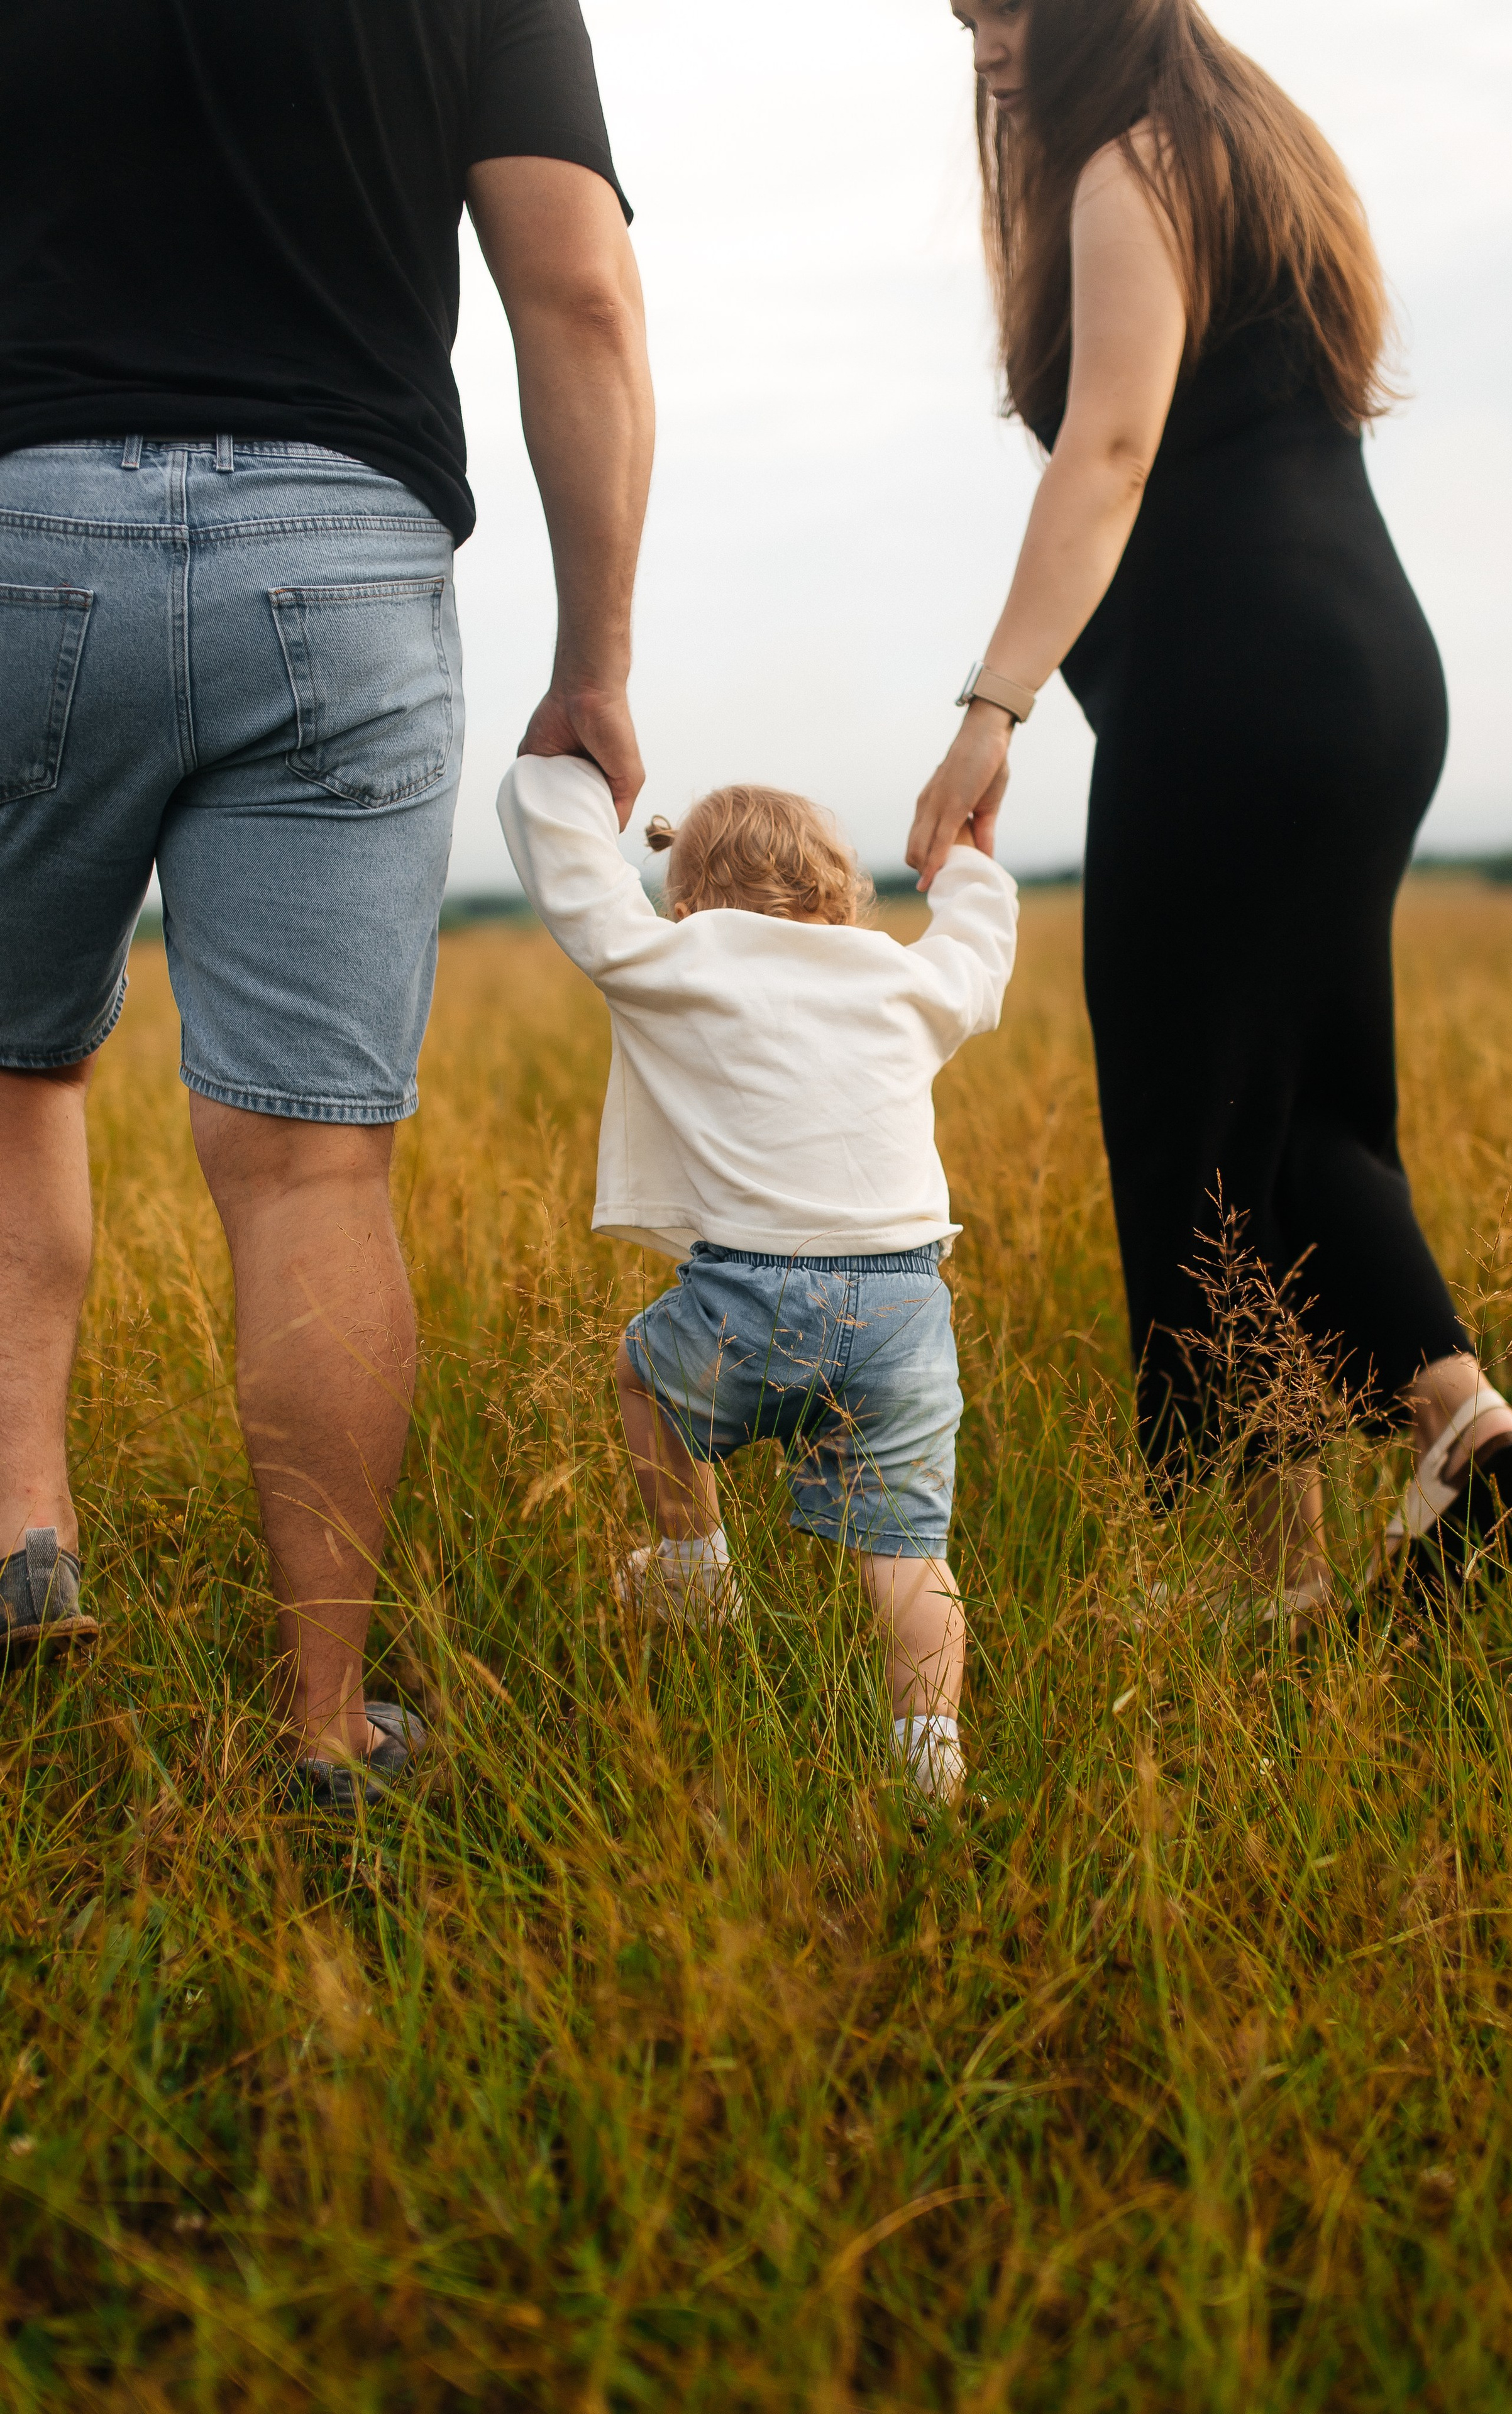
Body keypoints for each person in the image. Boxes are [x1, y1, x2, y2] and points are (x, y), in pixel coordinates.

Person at [0, 1, 654, 1805]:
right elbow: (579, 294)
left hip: (25, 528)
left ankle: (21, 1529)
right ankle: (325, 1726)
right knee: (309, 1169)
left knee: (12, 1069)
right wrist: (594, 662)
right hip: (343, 561)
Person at [905, 0, 1512, 1614]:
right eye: (959, 15)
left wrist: (989, 709)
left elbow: (1111, 447)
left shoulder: (1131, 165)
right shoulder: (1255, 145)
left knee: (1188, 1120)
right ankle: (1460, 1433)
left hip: (1233, 694)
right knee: (1295, 1103)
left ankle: (1270, 1572)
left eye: (1000, 6)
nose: (979, 42)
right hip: (1361, 674)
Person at [497, 754, 1019, 1805]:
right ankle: (930, 1764)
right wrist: (966, 868)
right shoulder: (903, 977)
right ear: (843, 898)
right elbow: (978, 955)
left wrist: (563, 778)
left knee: (642, 1373)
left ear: (688, 903)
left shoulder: (682, 958)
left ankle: (693, 1566)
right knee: (909, 1551)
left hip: (748, 1298)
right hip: (906, 1307)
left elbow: (579, 888)